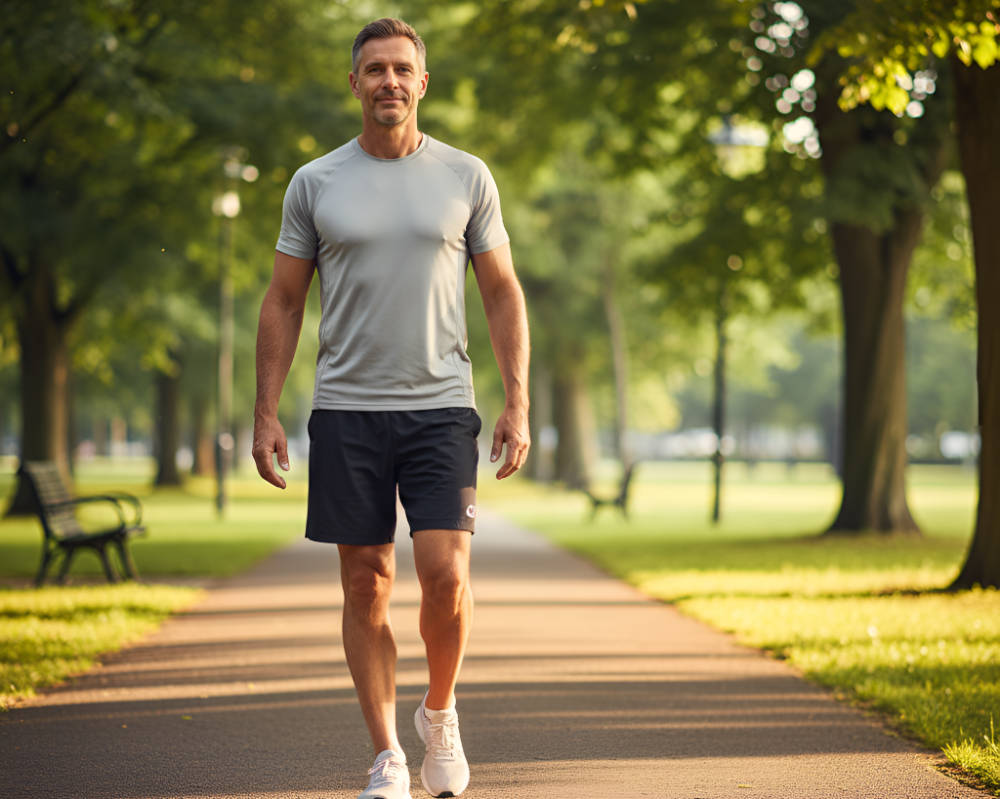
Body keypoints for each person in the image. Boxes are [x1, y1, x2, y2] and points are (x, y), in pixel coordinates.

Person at [251, 17, 530, 799]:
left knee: (445, 577)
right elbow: (282, 299)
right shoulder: (315, 183)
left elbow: (502, 291)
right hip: (346, 411)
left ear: (423, 82)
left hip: (442, 407)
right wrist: (265, 411)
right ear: (354, 84)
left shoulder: (466, 176)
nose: (389, 82)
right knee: (365, 585)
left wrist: (518, 399)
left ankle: (438, 713)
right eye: (373, 69)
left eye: (402, 69)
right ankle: (386, 756)